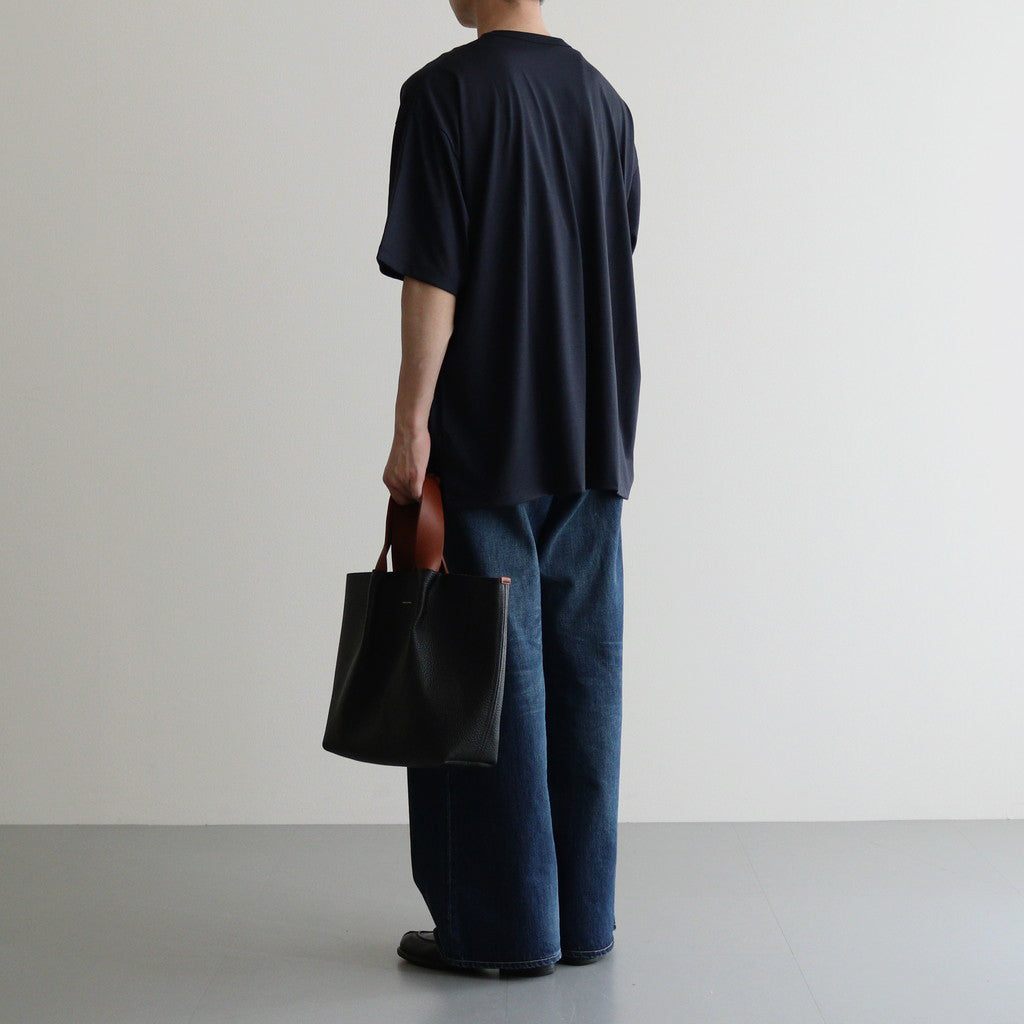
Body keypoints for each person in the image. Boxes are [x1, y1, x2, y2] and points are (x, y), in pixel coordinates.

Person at [376, 0, 641, 977]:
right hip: (592, 432)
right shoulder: (604, 103)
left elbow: (433, 275)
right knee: (582, 676)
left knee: (484, 681)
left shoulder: (442, 95)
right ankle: (582, 919)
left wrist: (411, 423)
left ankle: (502, 930)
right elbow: (608, 254)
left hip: (489, 431)